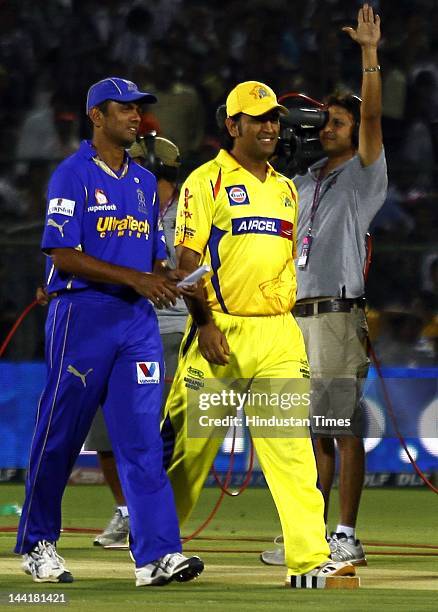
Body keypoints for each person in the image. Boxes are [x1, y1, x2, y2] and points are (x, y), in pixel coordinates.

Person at [163, 79, 356, 587]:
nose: (271, 127)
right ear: (233, 126)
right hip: (219, 336)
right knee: (190, 453)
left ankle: (309, 561)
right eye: (258, 119)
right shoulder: (205, 182)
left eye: (274, 118)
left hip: (276, 336)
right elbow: (186, 262)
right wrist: (204, 324)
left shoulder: (286, 188)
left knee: (292, 449)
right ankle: (157, 549)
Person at [14, 77, 204, 587]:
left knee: (142, 440)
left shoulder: (143, 182)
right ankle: (37, 543)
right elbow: (62, 254)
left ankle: (156, 556)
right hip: (83, 317)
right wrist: (138, 279)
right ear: (97, 115)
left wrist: (169, 278)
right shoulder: (70, 175)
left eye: (139, 110)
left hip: (137, 323)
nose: (136, 117)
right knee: (60, 435)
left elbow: (151, 258)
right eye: (125, 109)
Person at [261, 4, 387, 567]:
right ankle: (309, 532)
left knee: (341, 426)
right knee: (309, 433)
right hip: (294, 317)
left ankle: (345, 533)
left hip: (337, 314)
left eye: (334, 123)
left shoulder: (364, 176)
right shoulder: (302, 180)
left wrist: (368, 55)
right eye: (324, 123)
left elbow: (371, 124)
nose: (324, 129)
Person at [87, 135, 188, 548]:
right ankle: (126, 512)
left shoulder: (191, 212)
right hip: (119, 323)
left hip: (172, 331)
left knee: (158, 433)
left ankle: (158, 516)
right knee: (104, 431)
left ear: (168, 179)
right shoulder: (117, 204)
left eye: (151, 172)